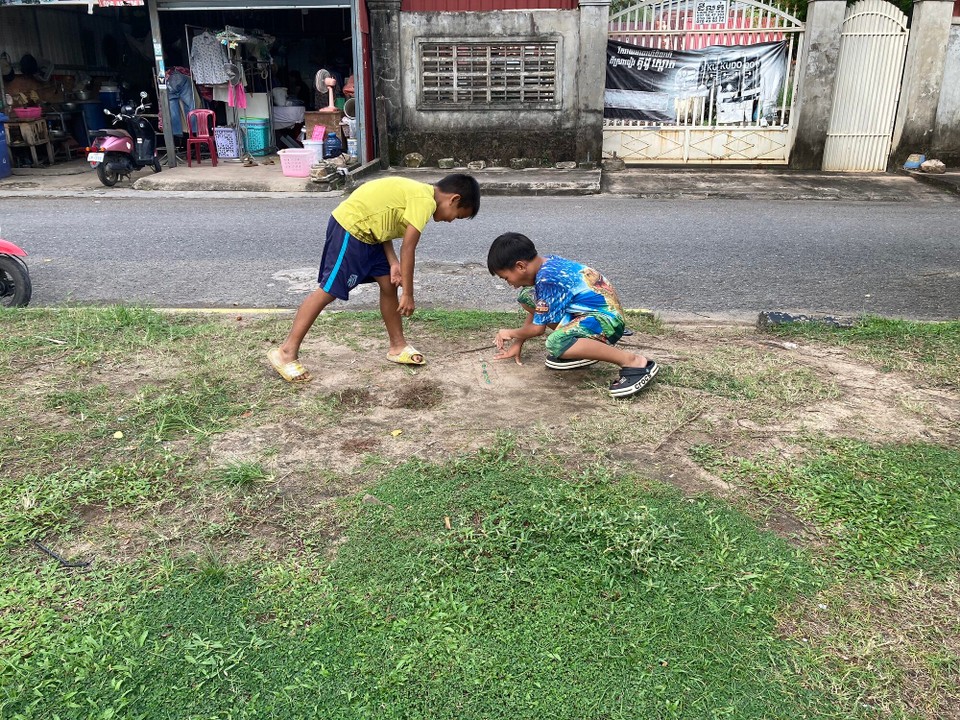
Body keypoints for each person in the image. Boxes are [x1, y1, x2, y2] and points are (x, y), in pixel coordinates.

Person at [268, 174, 481, 382]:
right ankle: (286, 352)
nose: (452, 220)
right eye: (458, 215)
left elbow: (382, 223)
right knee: (329, 290)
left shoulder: (419, 195)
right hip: (351, 228)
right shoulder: (424, 201)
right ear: (454, 199)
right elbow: (409, 247)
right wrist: (408, 293)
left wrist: (393, 262)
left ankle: (397, 346)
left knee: (388, 283)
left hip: (372, 236)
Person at [487, 232, 658, 399]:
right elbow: (538, 310)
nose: (510, 284)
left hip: (606, 321)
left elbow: (537, 329)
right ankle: (583, 350)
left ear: (520, 266)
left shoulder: (547, 280)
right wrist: (518, 343)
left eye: (506, 278)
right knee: (527, 296)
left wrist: (510, 333)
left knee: (556, 342)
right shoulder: (547, 264)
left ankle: (634, 362)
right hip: (594, 314)